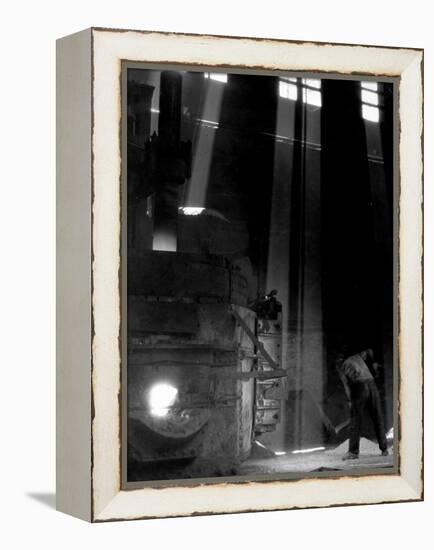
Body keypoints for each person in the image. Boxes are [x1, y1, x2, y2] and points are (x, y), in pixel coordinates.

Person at [336, 348, 388, 460]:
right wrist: (374, 364)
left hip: (360, 386)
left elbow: (346, 384)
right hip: (372, 383)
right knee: (377, 416)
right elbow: (368, 351)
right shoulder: (358, 356)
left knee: (356, 420)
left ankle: (353, 452)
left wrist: (350, 401)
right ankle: (384, 449)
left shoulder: (340, 364)